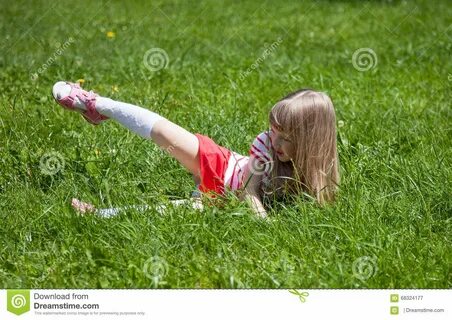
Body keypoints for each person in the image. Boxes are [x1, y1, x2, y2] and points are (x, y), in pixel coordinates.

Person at [51, 81, 340, 218]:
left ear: (310, 142)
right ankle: (96, 104)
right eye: (273, 132)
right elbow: (249, 191)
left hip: (222, 200)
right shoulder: (265, 146)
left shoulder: (319, 175)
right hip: (224, 168)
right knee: (168, 134)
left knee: (177, 211)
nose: (274, 142)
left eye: (285, 138)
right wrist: (262, 220)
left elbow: (319, 207)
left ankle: (98, 214)